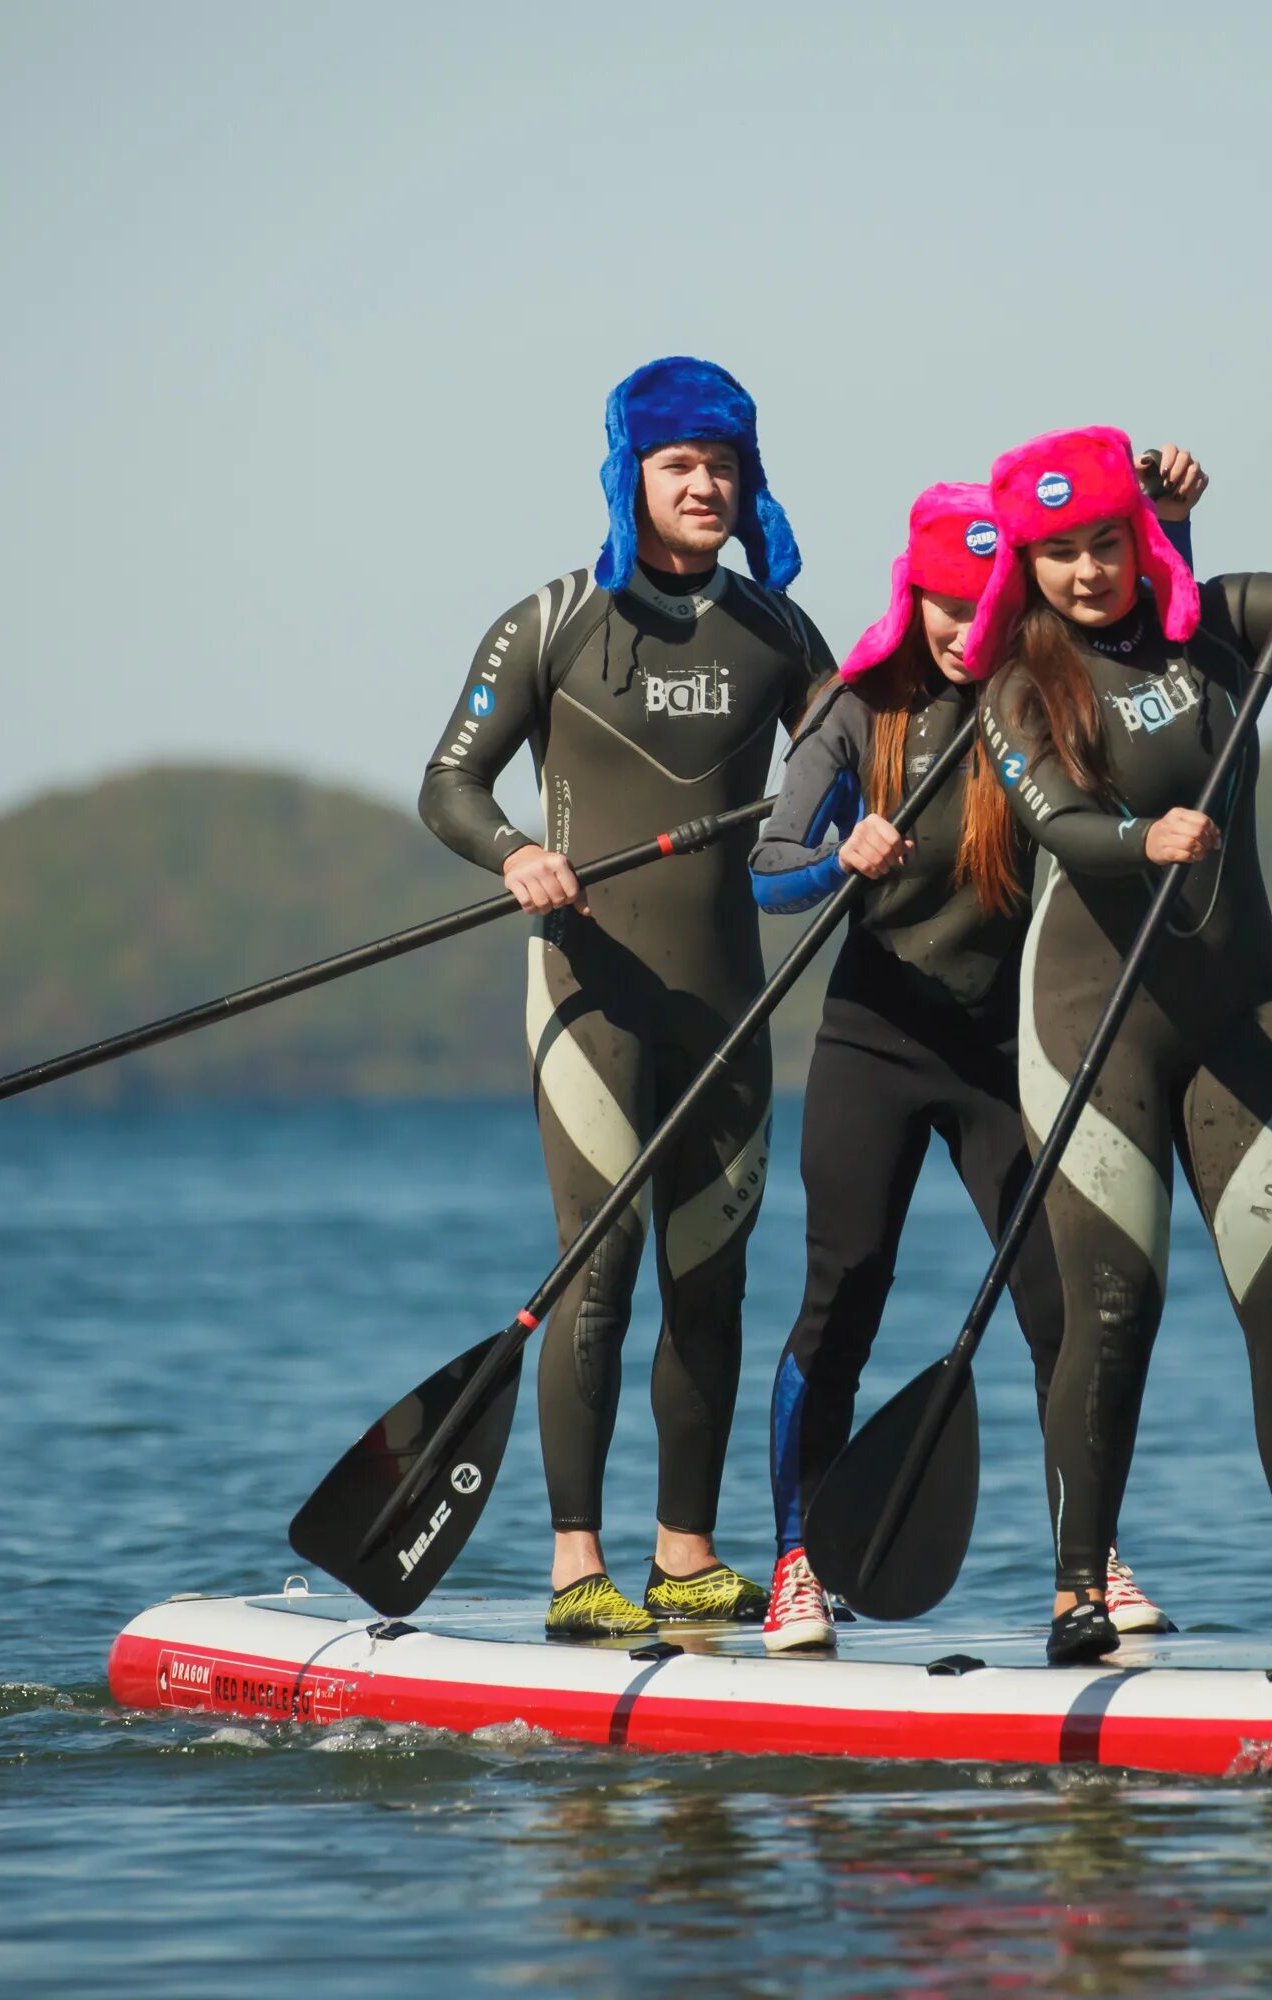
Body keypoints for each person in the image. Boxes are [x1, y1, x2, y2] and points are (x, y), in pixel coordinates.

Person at [420, 356, 835, 1638]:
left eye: (724, 465)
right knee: (596, 1276)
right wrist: (515, 856)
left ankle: (688, 1556)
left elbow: (856, 768)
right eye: (679, 465)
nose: (706, 486)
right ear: (628, 476)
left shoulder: (777, 634)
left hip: (730, 1007)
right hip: (588, 995)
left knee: (712, 1282)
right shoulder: (547, 622)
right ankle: (575, 1566)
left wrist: (851, 847)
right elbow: (450, 786)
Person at [748, 484, 1173, 1654]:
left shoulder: (1039, 700)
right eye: (941, 601)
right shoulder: (854, 708)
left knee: (1058, 1302)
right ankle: (795, 1560)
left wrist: (1169, 529)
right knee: (847, 1295)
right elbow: (768, 872)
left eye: (977, 602)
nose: (958, 625)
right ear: (914, 593)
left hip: (1003, 1045)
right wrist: (842, 857)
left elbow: (1166, 648)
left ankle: (1085, 1563)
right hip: (875, 1034)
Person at [969, 424, 1272, 1667]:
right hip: (1093, 1026)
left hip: (1242, 1015)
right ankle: (1080, 1588)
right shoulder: (1017, 686)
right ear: (1027, 564)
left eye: (1106, 543)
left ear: (1140, 537)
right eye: (1060, 551)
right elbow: (1064, 820)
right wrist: (1147, 840)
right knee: (1115, 1305)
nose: (1088, 571)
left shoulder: (1212, 626)